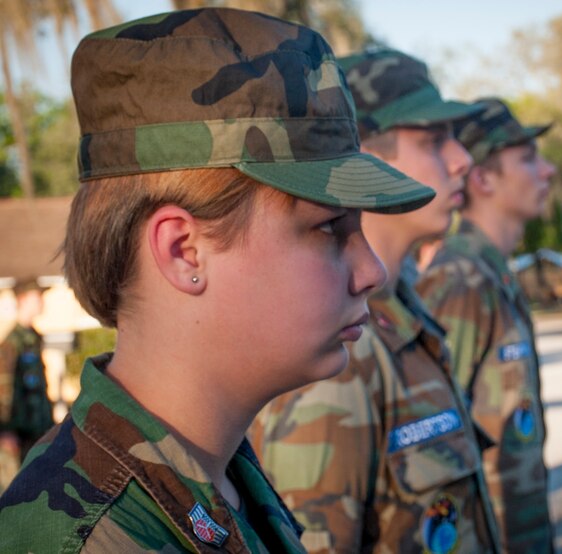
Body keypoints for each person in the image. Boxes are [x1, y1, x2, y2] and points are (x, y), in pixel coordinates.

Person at [0, 9, 435, 552]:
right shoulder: (88, 538)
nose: (372, 271)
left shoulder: (220, 476)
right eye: (328, 228)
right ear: (185, 252)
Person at [251, 49, 502, 553]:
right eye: (434, 141)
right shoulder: (338, 349)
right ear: (364, 154)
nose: (462, 159)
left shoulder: (404, 310)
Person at [417, 97, 557, 552]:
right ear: (483, 179)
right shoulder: (460, 281)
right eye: (528, 158)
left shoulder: (494, 274)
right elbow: (438, 444)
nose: (547, 170)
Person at [0, 280, 54, 484]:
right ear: (23, 300)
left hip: (38, 432)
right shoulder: (12, 343)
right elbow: (2, 387)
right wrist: (5, 429)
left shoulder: (33, 339)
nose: (41, 301)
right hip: (17, 436)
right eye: (36, 296)